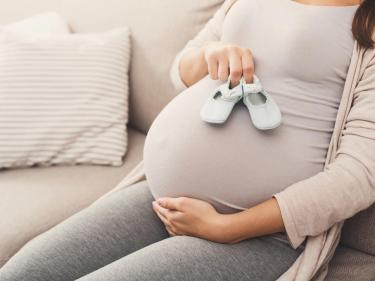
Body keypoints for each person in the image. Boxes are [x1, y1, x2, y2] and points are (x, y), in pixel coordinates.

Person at [1, 0, 374, 280]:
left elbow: (359, 175)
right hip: (163, 198)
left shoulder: (368, 24)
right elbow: (181, 70)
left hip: (260, 235)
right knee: (23, 273)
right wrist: (210, 55)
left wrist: (227, 229)